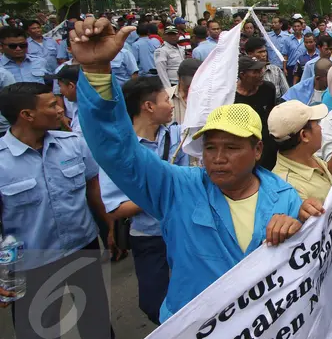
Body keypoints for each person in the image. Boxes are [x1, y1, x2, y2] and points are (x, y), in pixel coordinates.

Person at [71, 16, 319, 323]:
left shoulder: (285, 196)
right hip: (197, 337)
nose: (217, 157)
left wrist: (299, 225)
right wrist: (96, 72)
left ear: (257, 151)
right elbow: (118, 151)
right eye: (210, 147)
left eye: (231, 148)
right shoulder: (176, 188)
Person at [0, 81, 117, 339]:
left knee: (96, 322)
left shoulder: (72, 143)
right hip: (32, 261)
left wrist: (109, 228)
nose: (60, 108)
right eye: (51, 105)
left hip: (82, 246)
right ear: (27, 115)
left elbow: (93, 190)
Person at [100, 76, 188, 325]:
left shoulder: (179, 136)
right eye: (165, 100)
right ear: (148, 106)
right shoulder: (118, 151)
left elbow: (188, 180)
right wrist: (160, 190)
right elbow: (117, 207)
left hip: (183, 228)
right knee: (152, 302)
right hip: (148, 236)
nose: (172, 105)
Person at [270, 100, 332, 201]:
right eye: (317, 123)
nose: (320, 128)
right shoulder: (290, 190)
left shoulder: (304, 155)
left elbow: (327, 175)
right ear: (304, 135)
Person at [235, 57, 278, 170]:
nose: (261, 74)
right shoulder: (231, 97)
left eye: (261, 70)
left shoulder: (268, 89)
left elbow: (271, 115)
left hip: (267, 146)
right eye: (256, 71)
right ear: (242, 75)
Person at [47, 64, 83, 134]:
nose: (60, 91)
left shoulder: (87, 111)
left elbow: (80, 140)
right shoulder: (77, 104)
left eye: (60, 86)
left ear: (71, 86)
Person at [168, 58, 200, 125]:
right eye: (187, 85)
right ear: (178, 77)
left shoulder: (207, 98)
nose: (191, 88)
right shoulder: (166, 97)